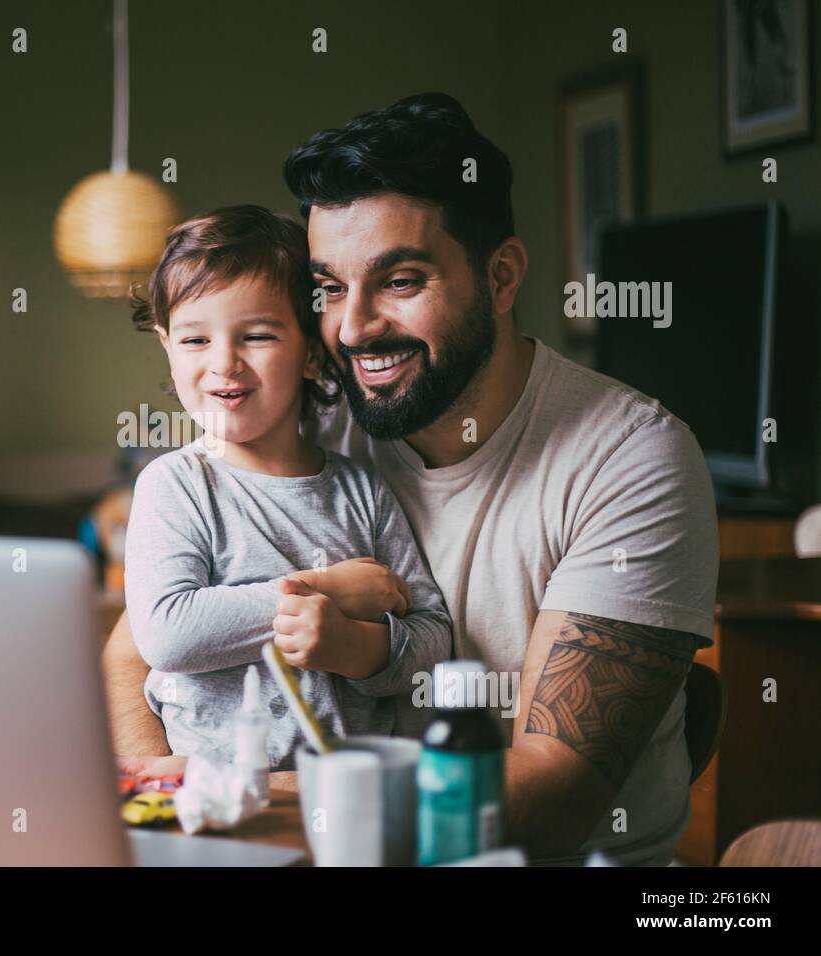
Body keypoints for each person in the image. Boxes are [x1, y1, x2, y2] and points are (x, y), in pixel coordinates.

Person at [105, 93, 717, 865]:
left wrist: (257, 798)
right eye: (328, 288)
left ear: (500, 277)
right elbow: (142, 647)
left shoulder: (631, 460)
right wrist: (175, 799)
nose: (354, 328)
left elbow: (550, 798)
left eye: (399, 281)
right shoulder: (314, 421)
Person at [123, 205, 452, 770]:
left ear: (311, 352)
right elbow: (167, 634)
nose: (224, 363)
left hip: (348, 791)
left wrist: (357, 648)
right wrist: (327, 590)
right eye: (195, 340)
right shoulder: (174, 485)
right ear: (166, 346)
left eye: (256, 335)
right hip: (218, 803)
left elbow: (432, 636)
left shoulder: (361, 491)